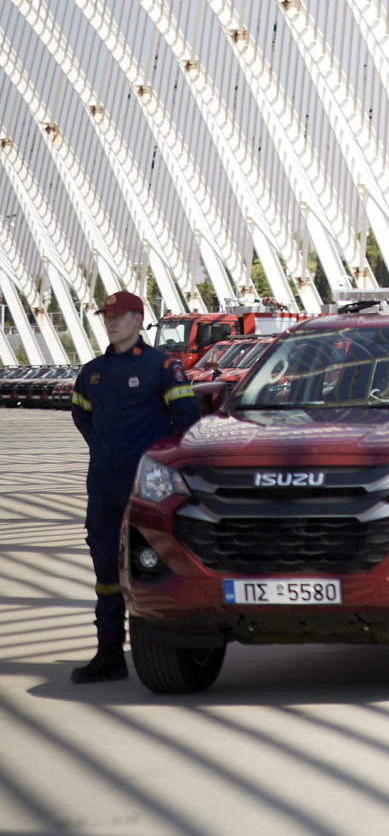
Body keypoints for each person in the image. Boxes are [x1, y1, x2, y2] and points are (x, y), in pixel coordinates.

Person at [70, 291, 199, 684]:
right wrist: (102, 449)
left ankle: (172, 650)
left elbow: (186, 422)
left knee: (156, 568)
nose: (112, 322)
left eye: (120, 316)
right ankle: (109, 652)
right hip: (104, 489)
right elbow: (81, 415)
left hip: (147, 491)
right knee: (106, 570)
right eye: (107, 316)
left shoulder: (163, 368)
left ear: (139, 320)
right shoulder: (92, 373)